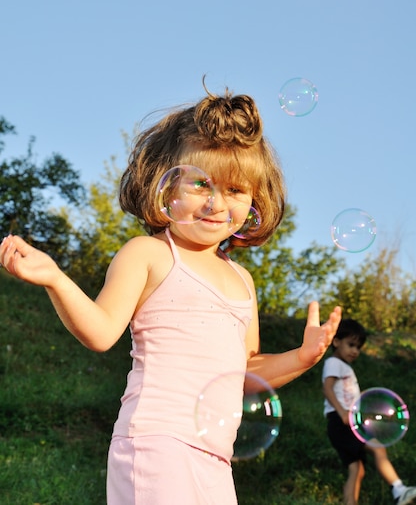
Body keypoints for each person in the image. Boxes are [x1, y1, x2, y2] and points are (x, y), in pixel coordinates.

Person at [0, 83, 341, 505]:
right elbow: (102, 332)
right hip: (156, 441)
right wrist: (56, 278)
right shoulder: (150, 254)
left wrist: (303, 357)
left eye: (235, 190)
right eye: (201, 184)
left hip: (216, 457)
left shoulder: (243, 281)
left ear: (255, 198)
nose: (217, 203)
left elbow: (244, 372)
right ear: (166, 186)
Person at [322, 317, 416, 505]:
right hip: (340, 421)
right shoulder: (333, 363)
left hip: (345, 421)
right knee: (377, 447)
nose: (355, 351)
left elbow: (346, 395)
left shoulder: (345, 367)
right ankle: (399, 490)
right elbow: (327, 388)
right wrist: (341, 412)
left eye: (358, 347)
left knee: (357, 469)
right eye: (351, 345)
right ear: (336, 342)